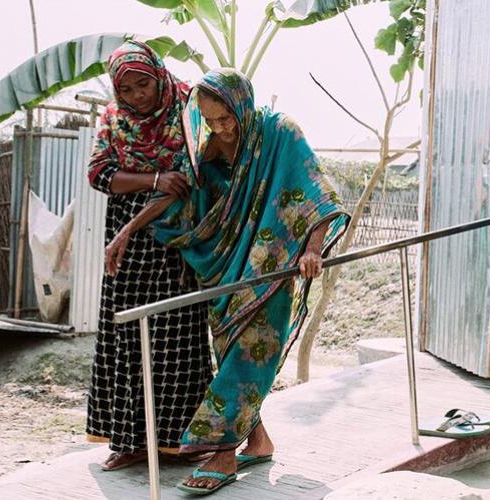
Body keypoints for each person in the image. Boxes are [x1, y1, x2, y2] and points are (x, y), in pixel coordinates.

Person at [105, 68, 349, 494]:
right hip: (226, 269)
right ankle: (257, 439)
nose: (221, 128)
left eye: (227, 118)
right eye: (212, 120)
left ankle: (220, 453)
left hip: (271, 265)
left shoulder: (281, 134)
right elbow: (179, 191)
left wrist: (312, 248)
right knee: (231, 352)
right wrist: (127, 231)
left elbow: (316, 192)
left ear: (243, 104)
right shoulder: (212, 145)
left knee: (246, 358)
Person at [84, 41, 213, 471]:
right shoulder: (113, 120)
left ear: (159, 74)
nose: (139, 96)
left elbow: (198, 168)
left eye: (145, 84)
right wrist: (154, 177)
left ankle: (181, 440)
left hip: (181, 228)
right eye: (129, 90)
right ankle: (129, 440)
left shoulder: (190, 106)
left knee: (178, 331)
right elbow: (99, 174)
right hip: (127, 236)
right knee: (126, 332)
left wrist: (167, 183)